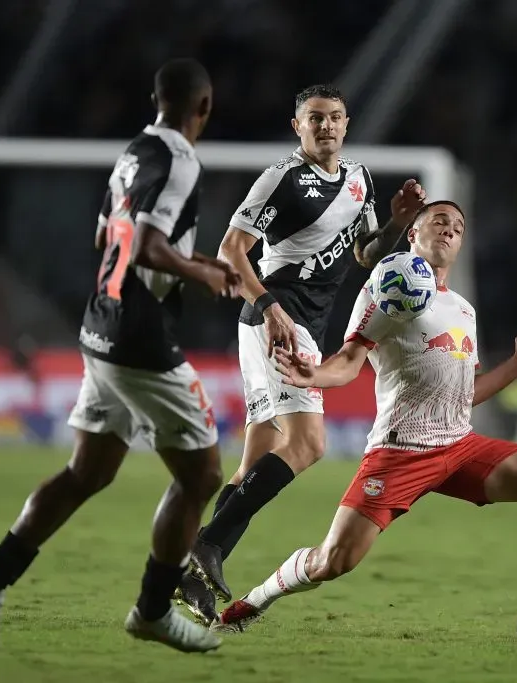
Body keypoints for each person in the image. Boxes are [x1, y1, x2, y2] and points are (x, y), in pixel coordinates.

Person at [214, 201, 517, 645]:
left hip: (458, 445)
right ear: (413, 235)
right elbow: (349, 360)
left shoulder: (463, 310)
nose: (450, 230)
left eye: (458, 226)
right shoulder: (389, 289)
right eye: (439, 221)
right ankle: (253, 602)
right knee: (333, 561)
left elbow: (464, 395)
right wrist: (311, 374)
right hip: (400, 451)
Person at [0, 58, 242, 653]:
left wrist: (195, 265)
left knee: (88, 471)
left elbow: (106, 237)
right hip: (140, 340)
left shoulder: (133, 152)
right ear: (204, 107)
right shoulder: (183, 161)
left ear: (155, 99)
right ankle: (154, 609)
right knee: (203, 476)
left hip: (100, 327)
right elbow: (148, 248)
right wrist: (201, 274)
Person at [176, 84, 426, 623]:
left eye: (334, 118)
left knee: (254, 463)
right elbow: (230, 251)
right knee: (308, 444)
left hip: (289, 322)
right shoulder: (282, 179)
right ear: (298, 127)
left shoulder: (358, 179)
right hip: (278, 320)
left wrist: (399, 224)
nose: (326, 127)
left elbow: (364, 254)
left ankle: (191, 578)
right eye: (315, 119)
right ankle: (207, 547)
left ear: (347, 122)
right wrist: (271, 311)